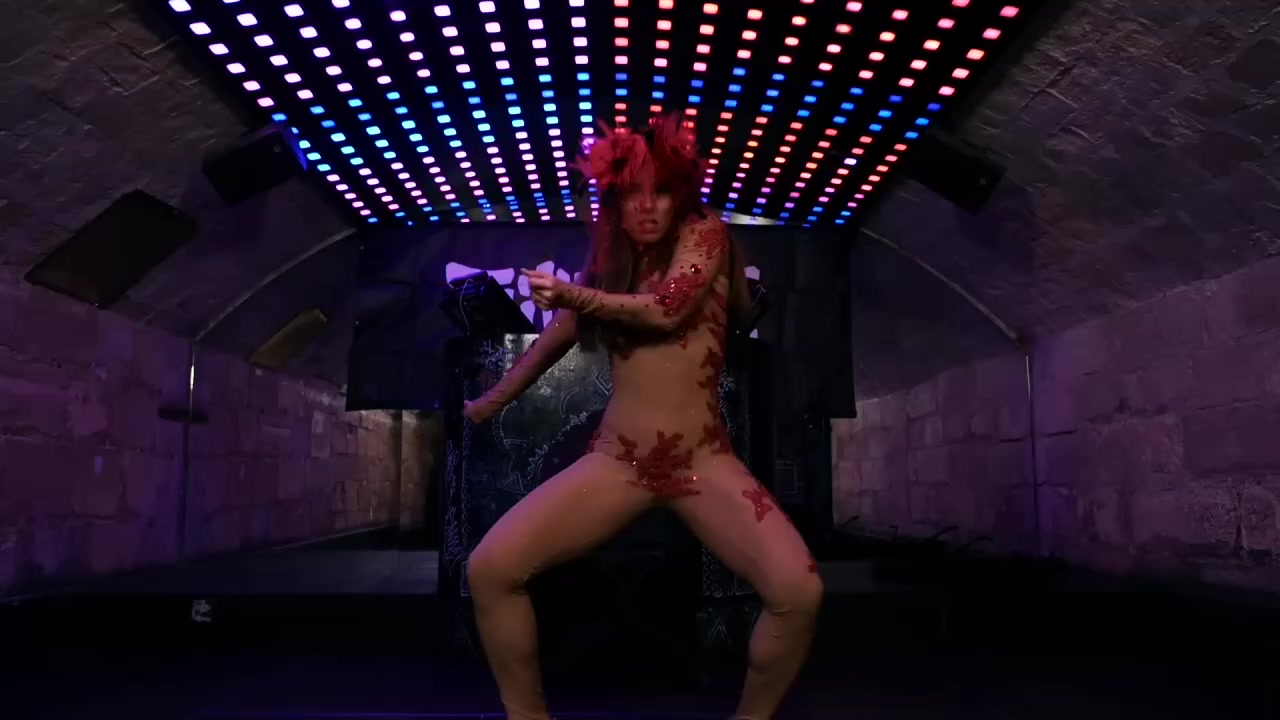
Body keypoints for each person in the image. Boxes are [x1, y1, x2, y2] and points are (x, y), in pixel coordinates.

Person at [462, 114, 823, 720]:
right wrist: (491, 401)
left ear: (681, 194)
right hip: (619, 461)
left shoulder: (706, 234)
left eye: (661, 192)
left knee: (798, 592)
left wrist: (571, 293)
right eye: (632, 194)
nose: (648, 207)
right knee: (490, 569)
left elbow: (666, 310)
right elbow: (559, 335)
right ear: (613, 203)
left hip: (702, 461)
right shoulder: (613, 260)